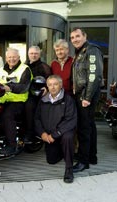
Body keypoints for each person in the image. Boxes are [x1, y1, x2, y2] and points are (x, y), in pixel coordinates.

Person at [70, 27, 103, 172]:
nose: (75, 39)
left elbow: (94, 75)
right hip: (82, 93)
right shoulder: (80, 52)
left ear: (85, 36)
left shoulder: (91, 50)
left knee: (84, 128)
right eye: (72, 37)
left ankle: (84, 162)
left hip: (86, 94)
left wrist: (87, 97)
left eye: (77, 36)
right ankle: (91, 156)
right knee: (89, 126)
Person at [34, 75, 77, 183]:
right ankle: (63, 151)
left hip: (61, 133)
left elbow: (70, 120)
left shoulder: (68, 99)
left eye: (55, 84)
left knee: (68, 137)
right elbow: (37, 119)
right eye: (50, 85)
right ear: (47, 87)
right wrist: (42, 133)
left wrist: (55, 134)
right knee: (51, 160)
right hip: (49, 135)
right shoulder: (43, 100)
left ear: (61, 85)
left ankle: (69, 168)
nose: (52, 87)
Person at [0, 48, 32, 156]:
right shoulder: (1, 69)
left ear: (18, 57)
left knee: (7, 116)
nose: (11, 59)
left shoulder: (25, 69)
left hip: (18, 101)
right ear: (6, 58)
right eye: (9, 57)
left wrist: (9, 87)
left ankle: (11, 145)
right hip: (1, 100)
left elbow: (24, 86)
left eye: (14, 57)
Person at [24, 45, 52, 142]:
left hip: (37, 96)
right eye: (31, 53)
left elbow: (50, 79)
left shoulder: (45, 67)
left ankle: (31, 134)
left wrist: (47, 88)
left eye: (36, 53)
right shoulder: (24, 66)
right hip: (23, 94)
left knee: (29, 107)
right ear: (28, 54)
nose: (34, 55)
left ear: (39, 54)